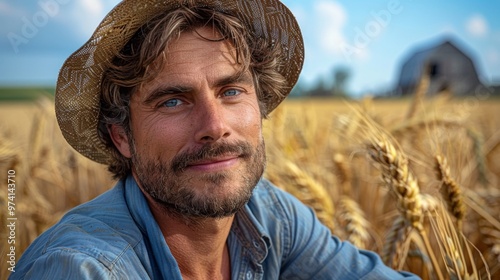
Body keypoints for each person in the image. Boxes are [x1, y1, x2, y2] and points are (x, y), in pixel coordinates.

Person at [12, 0, 419, 279]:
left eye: (231, 92)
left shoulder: (269, 215)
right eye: (172, 101)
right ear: (122, 137)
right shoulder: (82, 268)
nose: (214, 124)